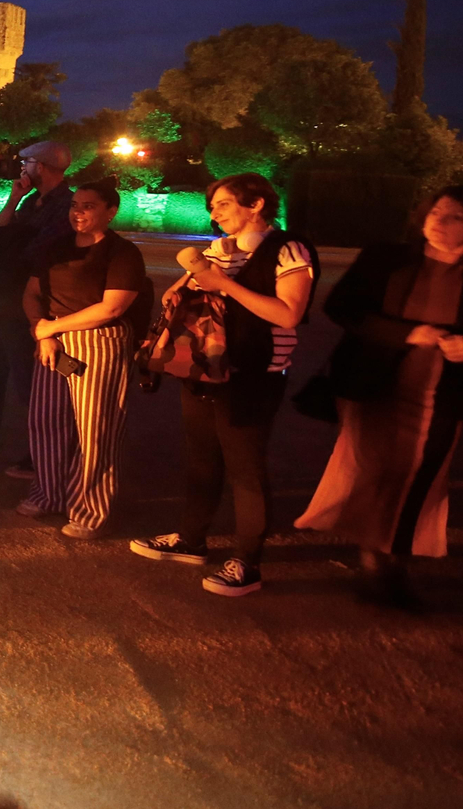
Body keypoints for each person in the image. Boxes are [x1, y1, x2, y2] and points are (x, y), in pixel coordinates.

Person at [130, 173, 315, 597]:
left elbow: (289, 314)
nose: (215, 213)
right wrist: (189, 281)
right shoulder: (219, 249)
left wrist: (225, 284)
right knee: (202, 461)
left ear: (257, 204)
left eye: (225, 204)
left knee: (246, 470)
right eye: (212, 206)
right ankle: (191, 540)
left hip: (253, 374)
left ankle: (248, 561)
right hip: (203, 368)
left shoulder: (288, 249)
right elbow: (178, 295)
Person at [296, 185, 463, 608]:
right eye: (436, 213)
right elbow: (342, 307)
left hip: (443, 396)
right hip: (375, 388)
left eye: (456, 217)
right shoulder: (386, 258)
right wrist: (407, 333)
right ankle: (375, 562)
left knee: (420, 478)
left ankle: (395, 560)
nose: (440, 223)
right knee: (375, 472)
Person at [19, 181, 146, 538]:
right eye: (75, 205)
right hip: (53, 341)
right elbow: (31, 293)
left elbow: (113, 308)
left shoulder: (122, 253)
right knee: (47, 421)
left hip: (98, 341)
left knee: (96, 429)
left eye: (89, 206)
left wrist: (50, 328)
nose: (78, 212)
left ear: (111, 211)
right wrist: (42, 332)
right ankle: (49, 494)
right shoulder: (55, 247)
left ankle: (90, 509)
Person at [0, 140, 75, 463]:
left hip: (33, 299)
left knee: (30, 377)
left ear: (43, 166)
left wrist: (10, 244)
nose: (23, 168)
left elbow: (34, 252)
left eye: (28, 163)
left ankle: (42, 452)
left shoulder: (66, 205)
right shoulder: (31, 201)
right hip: (5, 294)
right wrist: (13, 199)